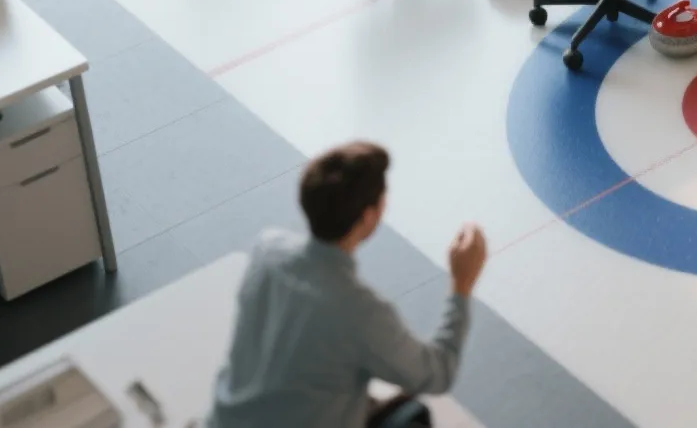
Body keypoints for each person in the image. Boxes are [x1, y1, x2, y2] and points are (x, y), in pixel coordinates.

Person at [209, 143, 488, 428]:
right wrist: (461, 284)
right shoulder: (360, 312)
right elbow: (439, 372)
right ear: (369, 216)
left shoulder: (266, 249)